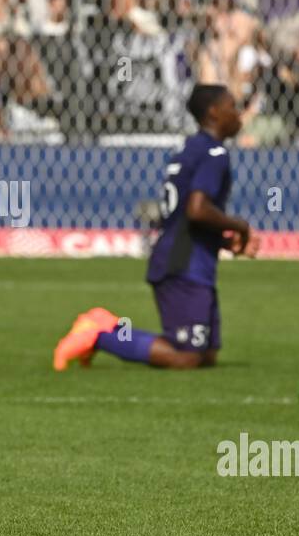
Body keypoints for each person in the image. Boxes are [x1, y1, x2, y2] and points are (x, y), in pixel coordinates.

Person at [53, 84, 257, 371]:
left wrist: (222, 242)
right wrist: (241, 226)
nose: (238, 115)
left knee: (207, 353)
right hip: (184, 266)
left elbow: (181, 216)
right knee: (185, 356)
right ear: (213, 113)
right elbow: (196, 209)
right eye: (232, 107)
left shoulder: (190, 148)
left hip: (186, 257)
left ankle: (107, 327)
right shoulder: (213, 154)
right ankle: (101, 334)